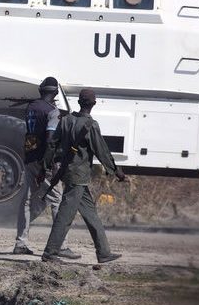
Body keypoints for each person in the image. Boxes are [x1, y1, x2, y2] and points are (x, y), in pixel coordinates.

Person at [41, 88, 126, 265]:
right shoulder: (91, 125)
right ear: (93, 104)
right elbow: (101, 150)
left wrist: (44, 167)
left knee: (91, 214)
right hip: (78, 177)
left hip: (68, 174)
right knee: (65, 215)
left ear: (79, 103)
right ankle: (50, 253)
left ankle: (103, 253)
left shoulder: (65, 120)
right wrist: (115, 171)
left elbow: (51, 145)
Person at [13, 77, 80, 259]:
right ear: (56, 93)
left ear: (40, 90)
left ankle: (21, 243)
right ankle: (61, 246)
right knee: (58, 201)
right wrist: (49, 163)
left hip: (30, 157)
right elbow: (50, 139)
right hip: (45, 162)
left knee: (26, 200)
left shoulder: (31, 108)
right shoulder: (53, 112)